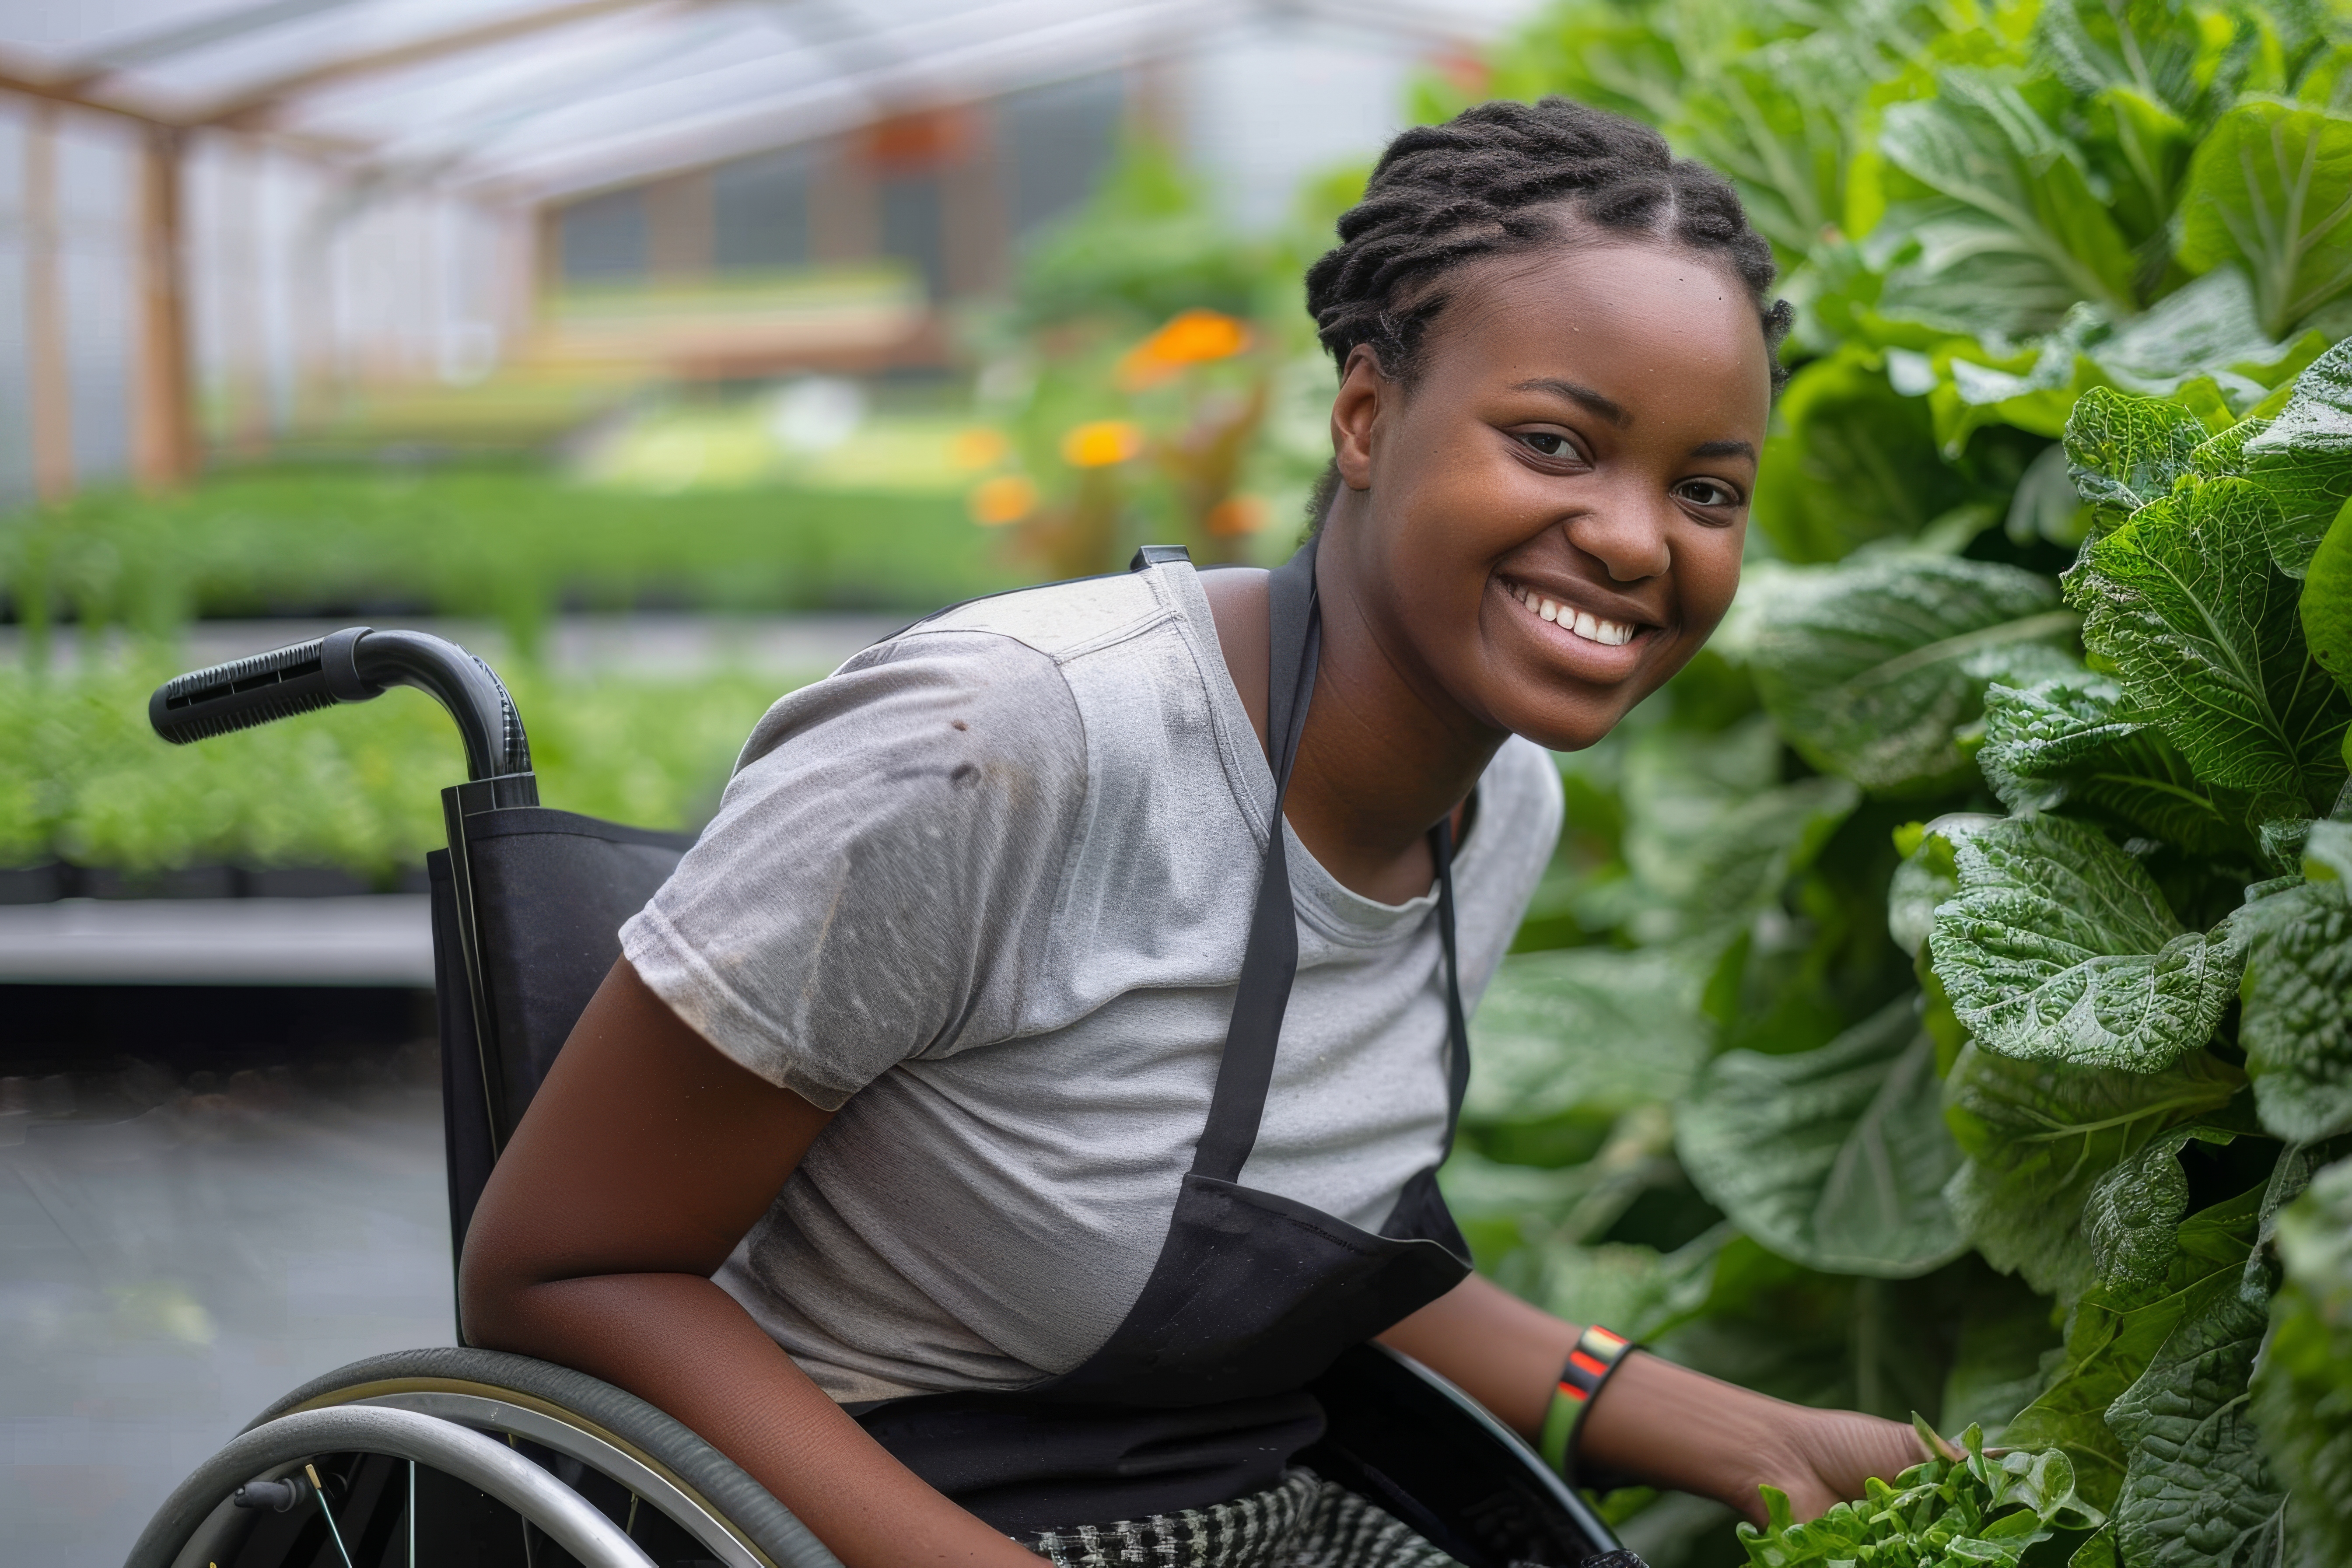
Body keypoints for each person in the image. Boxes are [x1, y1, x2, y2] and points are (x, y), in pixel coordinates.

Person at [459, 97, 1930, 1568]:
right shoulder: (1003, 744)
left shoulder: (1500, 809)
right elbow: (567, 1273)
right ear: (1365, 416)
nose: (1632, 537)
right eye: (1555, 443)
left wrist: (1754, 1436)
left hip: (1261, 1516)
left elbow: (1296, 1246)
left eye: (1706, 491)